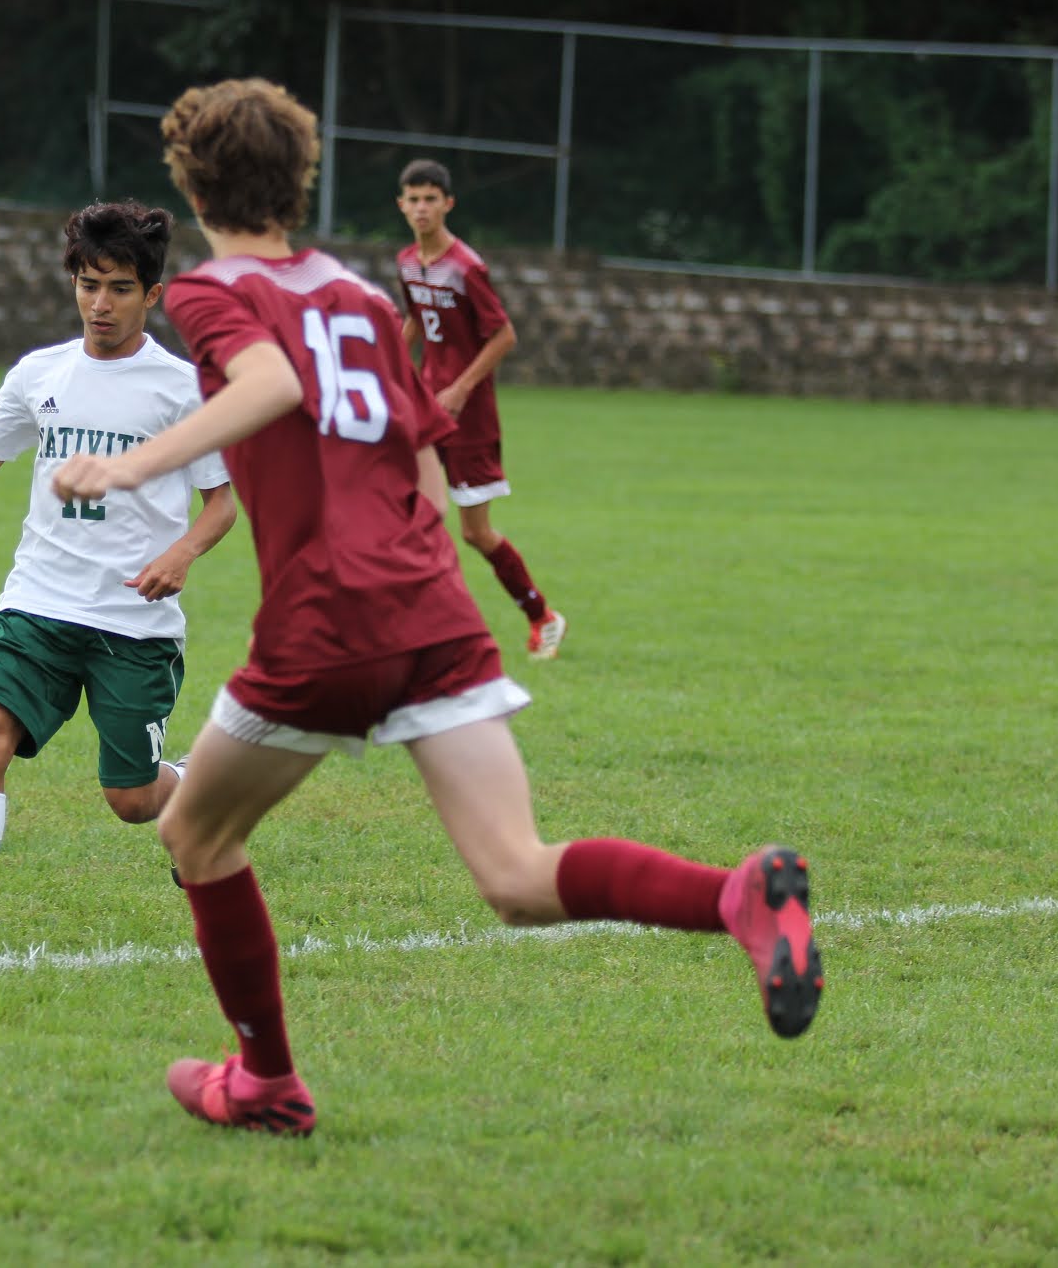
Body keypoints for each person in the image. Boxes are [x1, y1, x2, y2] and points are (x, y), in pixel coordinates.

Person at [53, 80, 821, 1137]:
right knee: (514, 875)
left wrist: (125, 464)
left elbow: (270, 384)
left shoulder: (210, 295)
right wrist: (424, 588)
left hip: (327, 616)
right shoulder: (366, 300)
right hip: (428, 604)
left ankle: (265, 1078)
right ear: (301, 176)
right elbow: (419, 455)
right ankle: (734, 896)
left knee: (192, 832)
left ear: (186, 182)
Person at [0, 200, 237, 958]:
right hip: (36, 606)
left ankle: (194, 796)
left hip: (134, 621)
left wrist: (183, 554)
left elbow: (224, 504)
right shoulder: (40, 373)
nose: (100, 303)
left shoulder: (181, 387)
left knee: (131, 801)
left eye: (120, 288)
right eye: (89, 283)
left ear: (152, 296)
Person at [395, 158, 566, 661]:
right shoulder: (408, 261)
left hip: (469, 419)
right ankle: (416, 629)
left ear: (448, 204)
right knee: (407, 514)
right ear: (401, 205)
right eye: (414, 199)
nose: (422, 208)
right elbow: (415, 320)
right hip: (426, 410)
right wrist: (387, 368)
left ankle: (542, 616)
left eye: (431, 198)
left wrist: (463, 388)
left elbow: (504, 334)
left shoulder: (467, 266)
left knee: (475, 532)